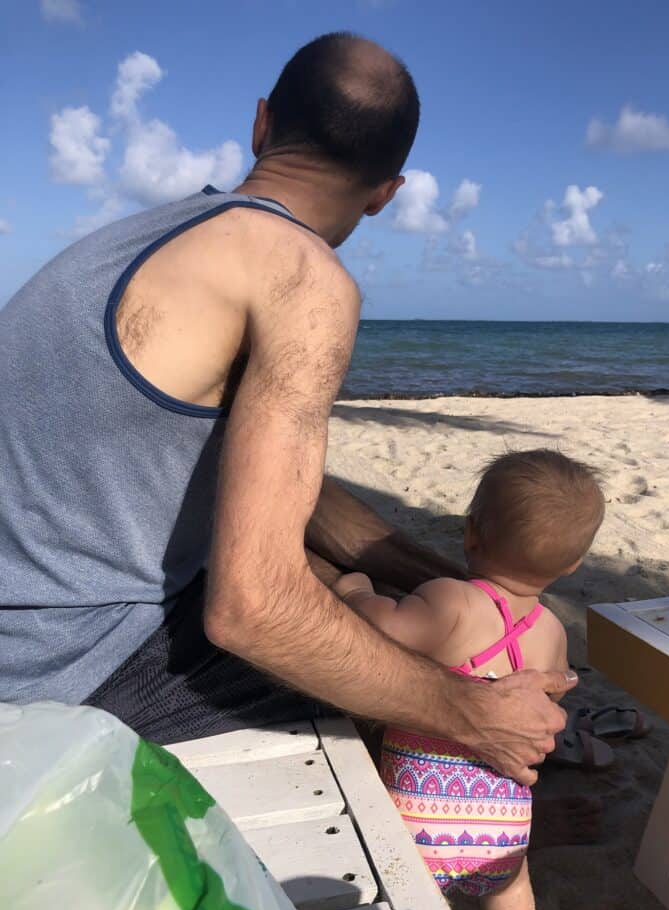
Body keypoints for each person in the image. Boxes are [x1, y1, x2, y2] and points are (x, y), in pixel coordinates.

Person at [0, 32, 574, 788]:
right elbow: (253, 609)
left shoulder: (151, 236)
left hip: (35, 622)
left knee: (375, 595)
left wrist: (480, 595)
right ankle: (480, 832)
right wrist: (471, 711)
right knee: (385, 664)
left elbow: (296, 498)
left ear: (262, 125)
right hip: (58, 682)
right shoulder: (304, 279)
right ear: (386, 193)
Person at [333, 450, 605, 910]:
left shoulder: (450, 599)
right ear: (573, 565)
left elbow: (386, 631)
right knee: (510, 888)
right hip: (503, 819)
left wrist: (357, 593)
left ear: (471, 532)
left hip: (420, 812)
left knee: (409, 900)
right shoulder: (551, 631)